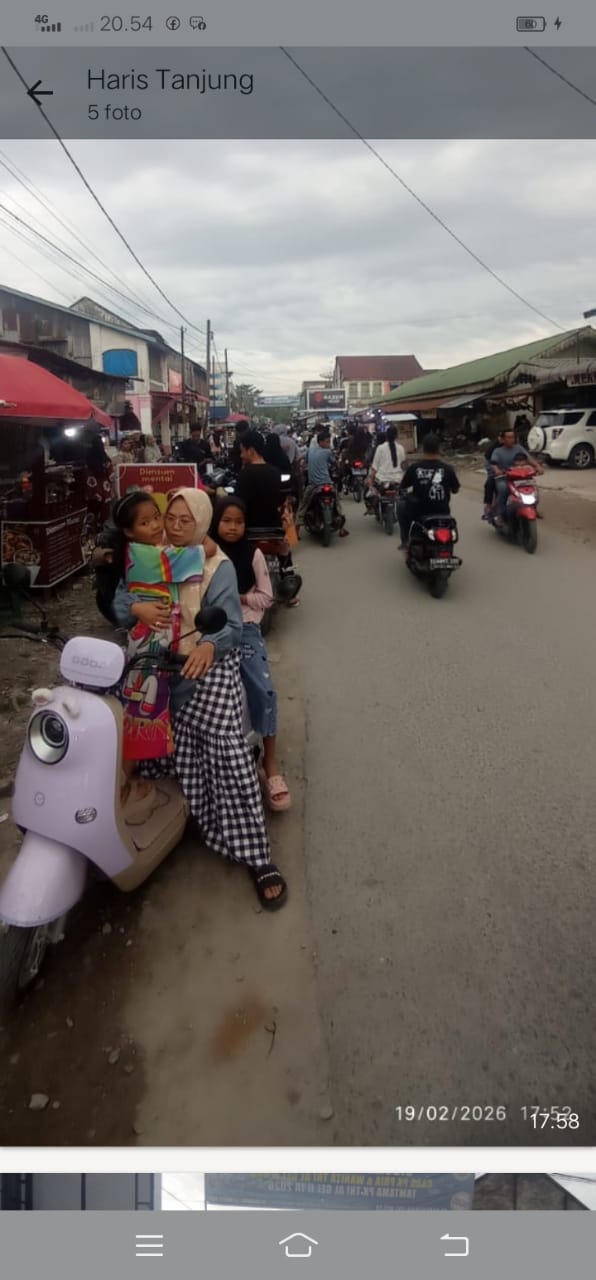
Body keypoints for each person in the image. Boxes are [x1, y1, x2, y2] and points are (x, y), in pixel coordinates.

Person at [112, 487, 288, 909]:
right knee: (145, 742)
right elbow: (120, 599)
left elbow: (227, 623)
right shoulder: (148, 555)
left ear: (202, 522)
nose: (172, 528)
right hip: (158, 664)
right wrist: (135, 609)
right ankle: (181, 812)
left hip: (205, 666)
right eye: (167, 518)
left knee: (226, 751)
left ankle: (256, 854)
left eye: (184, 521)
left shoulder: (217, 565)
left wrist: (211, 645)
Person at [210, 496, 291, 812]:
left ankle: (270, 765)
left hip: (244, 629)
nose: (232, 527)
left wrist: (239, 597)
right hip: (207, 632)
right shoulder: (204, 553)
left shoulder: (252, 553)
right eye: (226, 520)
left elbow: (267, 598)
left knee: (264, 690)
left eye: (238, 521)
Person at [235, 429, 302, 598]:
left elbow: (238, 503)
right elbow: (281, 500)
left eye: (242, 450)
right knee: (285, 554)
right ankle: (291, 593)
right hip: (274, 528)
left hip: (249, 530)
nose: (241, 455)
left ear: (251, 450)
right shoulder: (275, 472)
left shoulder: (244, 475)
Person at [397, 433, 461, 549]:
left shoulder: (414, 468)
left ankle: (405, 540)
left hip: (419, 511)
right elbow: (455, 489)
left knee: (401, 506)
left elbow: (403, 486)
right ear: (439, 448)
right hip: (442, 510)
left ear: (422, 448)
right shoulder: (448, 469)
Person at [296, 427, 350, 536]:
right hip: (327, 483)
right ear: (320, 442)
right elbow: (334, 463)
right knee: (337, 504)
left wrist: (300, 469)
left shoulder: (309, 451)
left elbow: (300, 460)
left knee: (303, 506)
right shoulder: (328, 452)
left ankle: (296, 531)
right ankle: (341, 529)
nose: (329, 444)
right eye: (327, 442)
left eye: (329, 441)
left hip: (313, 485)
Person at [490, 427, 544, 527]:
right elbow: (493, 463)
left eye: (513, 437)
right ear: (503, 439)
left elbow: (528, 459)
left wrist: (537, 466)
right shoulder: (497, 451)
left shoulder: (519, 448)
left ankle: (533, 508)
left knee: (534, 488)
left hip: (521, 477)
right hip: (505, 478)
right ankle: (500, 515)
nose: (511, 440)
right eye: (508, 437)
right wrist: (497, 470)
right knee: (503, 489)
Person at [366, 425, 406, 510]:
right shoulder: (401, 448)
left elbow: (374, 468)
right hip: (398, 480)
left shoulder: (380, 448)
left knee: (369, 489)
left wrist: (370, 481)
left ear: (386, 436)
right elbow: (404, 466)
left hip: (382, 480)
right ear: (396, 436)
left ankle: (371, 509)